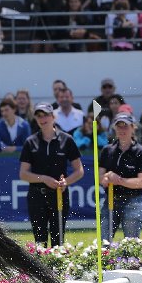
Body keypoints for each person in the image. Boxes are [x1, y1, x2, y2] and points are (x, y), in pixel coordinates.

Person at [19, 102, 85, 247]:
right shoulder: (31, 142)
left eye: (45, 115)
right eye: (39, 116)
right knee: (40, 241)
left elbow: (79, 170)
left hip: (59, 194)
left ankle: (57, 262)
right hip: (36, 195)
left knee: (58, 240)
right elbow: (23, 174)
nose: (42, 119)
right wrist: (43, 179)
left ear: (53, 117)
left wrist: (66, 182)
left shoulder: (67, 139)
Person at [99, 113, 142, 241]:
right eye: (119, 126)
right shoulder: (107, 150)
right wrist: (106, 177)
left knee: (131, 245)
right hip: (110, 200)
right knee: (104, 244)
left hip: (133, 202)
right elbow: (100, 177)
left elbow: (141, 182)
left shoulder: (141, 152)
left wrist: (118, 180)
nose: (122, 130)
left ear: (133, 128)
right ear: (114, 129)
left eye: (125, 126)